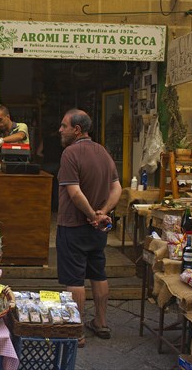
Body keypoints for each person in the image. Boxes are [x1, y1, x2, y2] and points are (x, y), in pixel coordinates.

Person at [56, 109, 122, 346]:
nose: (60, 130)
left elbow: (74, 192)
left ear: (77, 129)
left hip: (73, 225)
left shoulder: (70, 153)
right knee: (98, 273)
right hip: (97, 229)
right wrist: (103, 213)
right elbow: (117, 189)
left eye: (64, 126)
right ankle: (101, 323)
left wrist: (92, 214)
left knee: (74, 279)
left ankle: (77, 330)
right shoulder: (103, 152)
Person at [0, 105, 29, 170]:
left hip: (23, 169)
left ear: (8, 117)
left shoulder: (21, 126)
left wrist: (2, 140)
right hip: (7, 171)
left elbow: (20, 136)